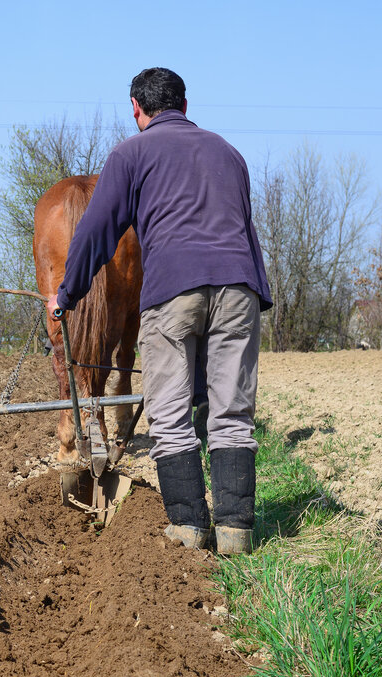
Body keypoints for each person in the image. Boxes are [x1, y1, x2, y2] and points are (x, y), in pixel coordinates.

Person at [46, 67, 272, 555]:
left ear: (136, 109)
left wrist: (66, 295)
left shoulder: (131, 154)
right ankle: (236, 531)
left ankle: (190, 527)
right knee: (232, 410)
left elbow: (95, 232)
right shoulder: (228, 153)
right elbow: (245, 227)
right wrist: (259, 296)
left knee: (169, 413)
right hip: (239, 289)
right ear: (186, 107)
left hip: (173, 290)